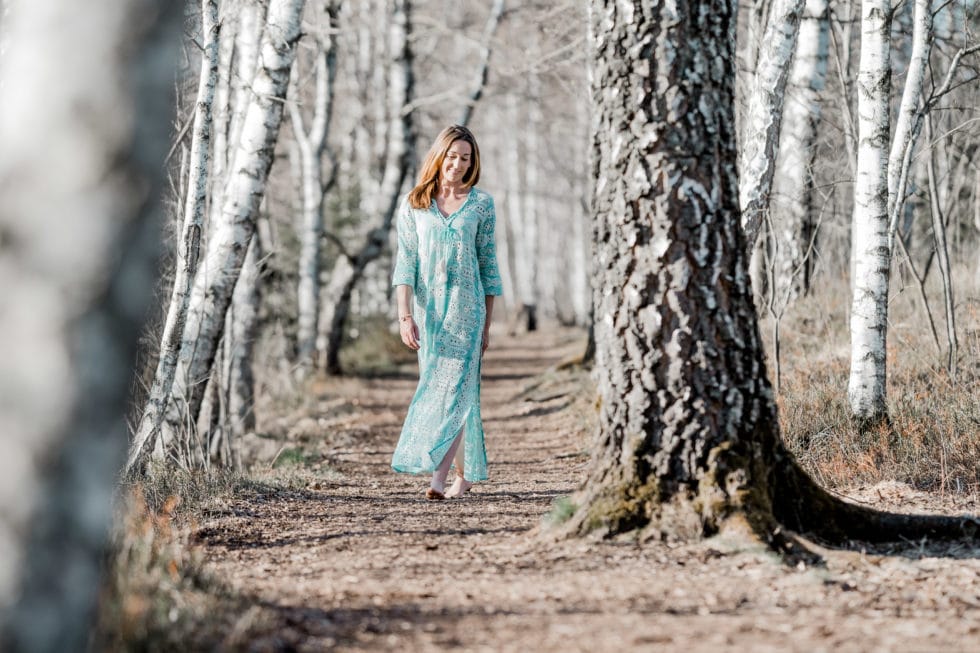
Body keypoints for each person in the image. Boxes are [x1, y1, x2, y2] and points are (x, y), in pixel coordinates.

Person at [390, 124, 503, 500]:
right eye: (452, 156)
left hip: (468, 312)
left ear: (473, 163)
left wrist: (487, 325)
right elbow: (405, 264)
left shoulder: (481, 204)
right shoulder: (414, 204)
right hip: (430, 315)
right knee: (444, 393)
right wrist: (405, 315)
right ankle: (463, 475)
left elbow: (489, 268)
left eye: (465, 158)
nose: (457, 164)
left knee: (457, 390)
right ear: (439, 156)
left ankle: (437, 479)